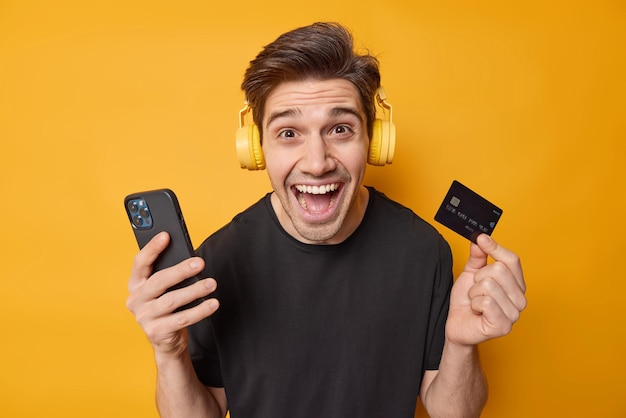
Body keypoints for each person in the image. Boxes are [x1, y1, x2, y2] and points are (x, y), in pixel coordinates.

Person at [126, 22, 526, 418]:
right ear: (256, 148)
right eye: (288, 133)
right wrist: (169, 353)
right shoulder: (216, 261)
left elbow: (452, 413)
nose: (317, 163)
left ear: (374, 140)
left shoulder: (424, 250)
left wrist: (460, 345)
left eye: (340, 129)